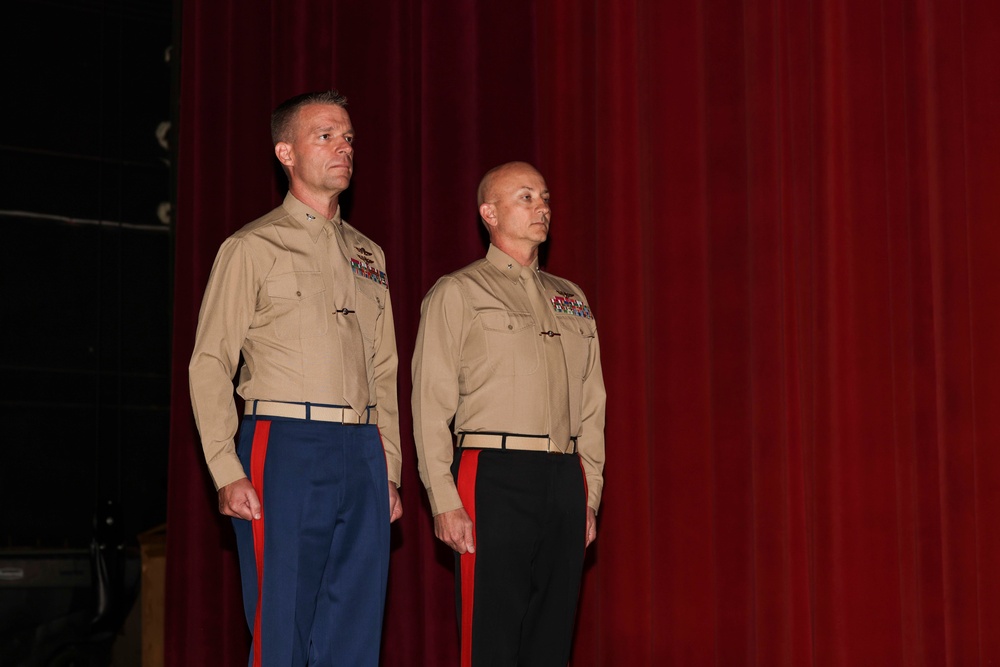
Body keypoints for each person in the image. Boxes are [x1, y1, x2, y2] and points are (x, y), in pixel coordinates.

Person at [189, 90, 402, 667]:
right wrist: (225, 470)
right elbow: (209, 361)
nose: (343, 147)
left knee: (355, 628)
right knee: (281, 623)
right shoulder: (251, 247)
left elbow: (383, 370)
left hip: (361, 451)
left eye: (349, 137)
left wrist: (389, 469)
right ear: (286, 152)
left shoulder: (369, 255)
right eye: (326, 135)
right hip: (284, 443)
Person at [411, 161, 606, 666]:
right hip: (493, 475)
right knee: (491, 637)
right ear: (489, 213)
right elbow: (429, 401)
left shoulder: (572, 299)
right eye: (525, 197)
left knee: (552, 636)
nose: (542, 205)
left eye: (544, 196)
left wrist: (590, 494)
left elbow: (592, 405)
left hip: (564, 477)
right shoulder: (458, 292)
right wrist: (443, 497)